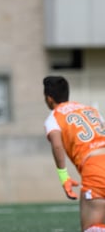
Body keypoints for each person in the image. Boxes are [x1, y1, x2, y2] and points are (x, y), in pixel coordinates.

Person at [43, 75, 105, 232]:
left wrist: (64, 177)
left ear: (49, 99)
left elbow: (57, 145)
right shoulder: (91, 109)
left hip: (96, 168)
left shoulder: (55, 116)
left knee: (91, 228)